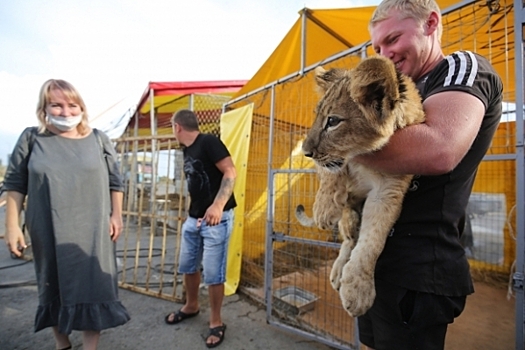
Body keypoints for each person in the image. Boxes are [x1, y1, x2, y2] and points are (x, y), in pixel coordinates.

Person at [353, 0, 503, 349]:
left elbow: (439, 149)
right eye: (377, 48)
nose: (384, 53)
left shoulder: (461, 67)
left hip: (417, 271)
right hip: (373, 260)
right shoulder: (402, 90)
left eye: (393, 39)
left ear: (431, 23)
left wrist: (338, 142)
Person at [3, 79, 130, 350]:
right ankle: (62, 345)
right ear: (44, 107)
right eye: (56, 105)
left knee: (95, 286)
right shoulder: (31, 138)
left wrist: (116, 215)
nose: (66, 112)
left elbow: (115, 181)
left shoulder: (99, 139)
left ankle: (90, 347)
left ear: (81, 107)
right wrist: (12, 226)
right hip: (47, 227)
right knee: (52, 285)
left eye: (72, 105)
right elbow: (14, 184)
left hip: (94, 229)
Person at [164, 109, 237, 349]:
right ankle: (191, 306)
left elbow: (230, 171)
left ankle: (216, 321)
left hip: (218, 217)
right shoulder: (187, 150)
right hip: (194, 218)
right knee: (188, 265)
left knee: (214, 272)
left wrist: (217, 205)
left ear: (177, 127)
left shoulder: (208, 141)